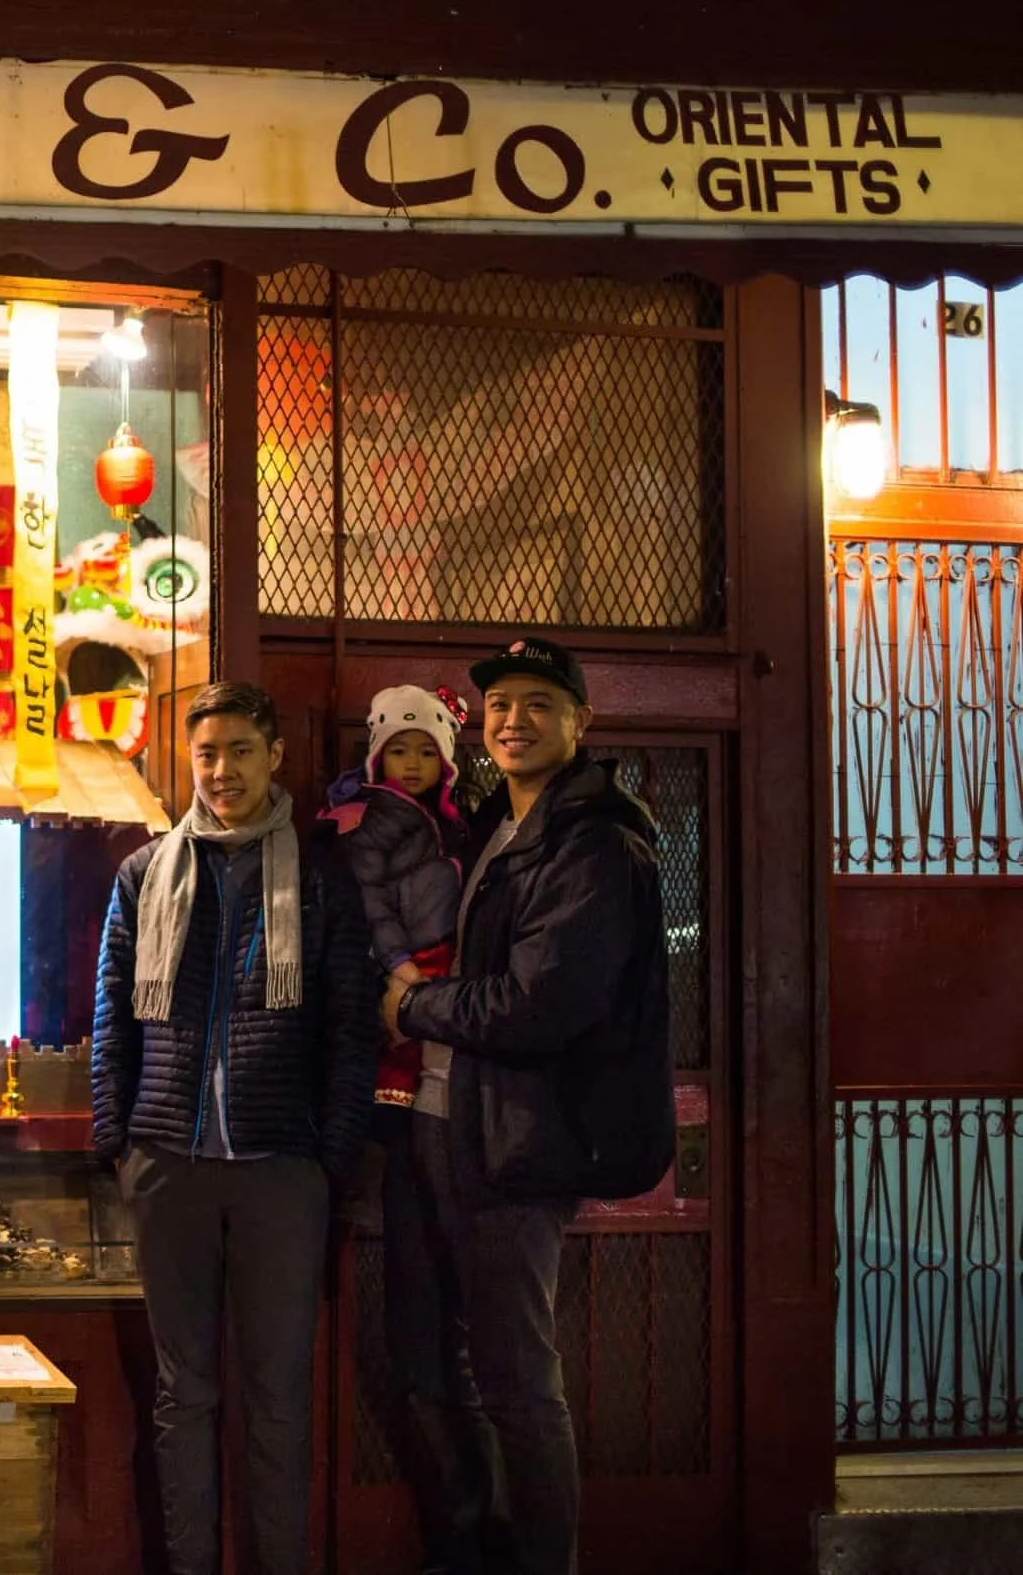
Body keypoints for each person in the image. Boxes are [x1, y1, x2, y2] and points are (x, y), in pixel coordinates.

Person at [387, 638, 674, 1575]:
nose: (513, 719)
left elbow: (537, 1002)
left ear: (581, 722)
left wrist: (410, 1005)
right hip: (437, 1124)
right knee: (430, 1368)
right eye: (501, 703)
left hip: (515, 1143)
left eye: (538, 703)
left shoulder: (593, 841)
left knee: (516, 1378)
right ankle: (468, 1551)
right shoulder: (490, 825)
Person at [93, 680, 382, 1575]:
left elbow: (351, 1023)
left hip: (279, 1167)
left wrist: (328, 1154)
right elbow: (113, 1008)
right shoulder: (145, 873)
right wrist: (120, 1138)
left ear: (275, 757)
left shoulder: (322, 875)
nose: (222, 771)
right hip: (168, 1164)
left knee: (278, 1396)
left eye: (240, 752)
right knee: (185, 1395)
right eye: (207, 754)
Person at [319, 684, 496, 1574]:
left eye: (428, 751)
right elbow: (373, 912)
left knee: (472, 1351)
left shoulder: (466, 828)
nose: (413, 764)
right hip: (407, 1086)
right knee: (426, 1344)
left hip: (476, 1116)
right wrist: (403, 978)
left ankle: (491, 1537)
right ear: (378, 756)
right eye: (400, 751)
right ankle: (467, 1537)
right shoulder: (373, 824)